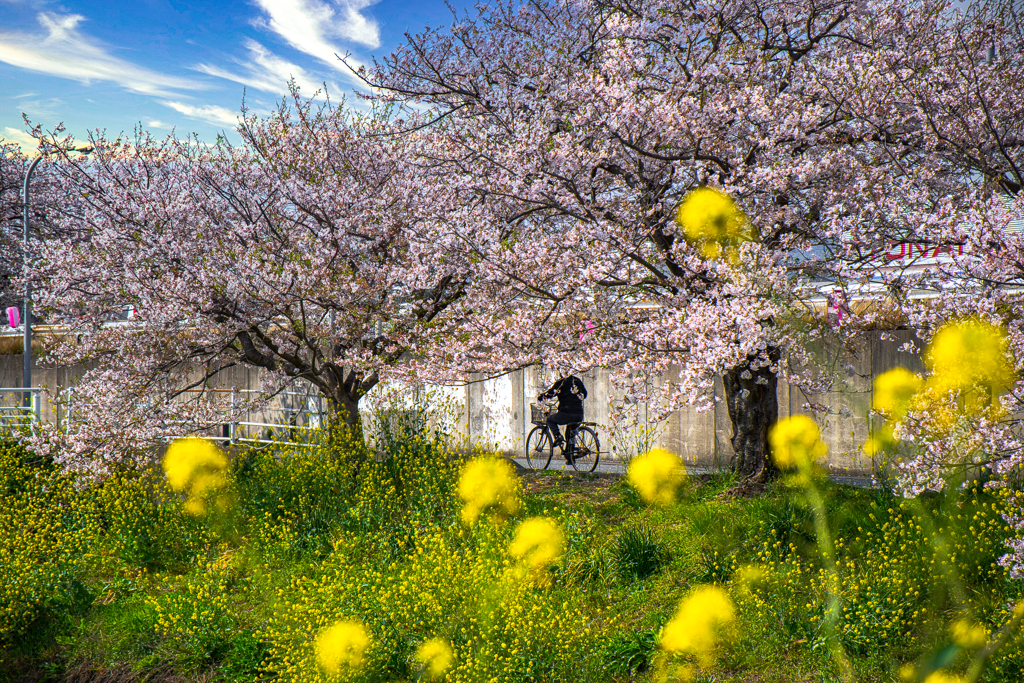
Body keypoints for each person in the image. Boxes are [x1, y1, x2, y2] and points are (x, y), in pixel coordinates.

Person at [539, 372, 588, 455]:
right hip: (579, 414)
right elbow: (585, 394)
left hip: (566, 412)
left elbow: (551, 393)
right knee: (570, 432)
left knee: (550, 420)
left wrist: (541, 396)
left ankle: (558, 436)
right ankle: (569, 455)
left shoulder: (561, 382)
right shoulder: (577, 380)